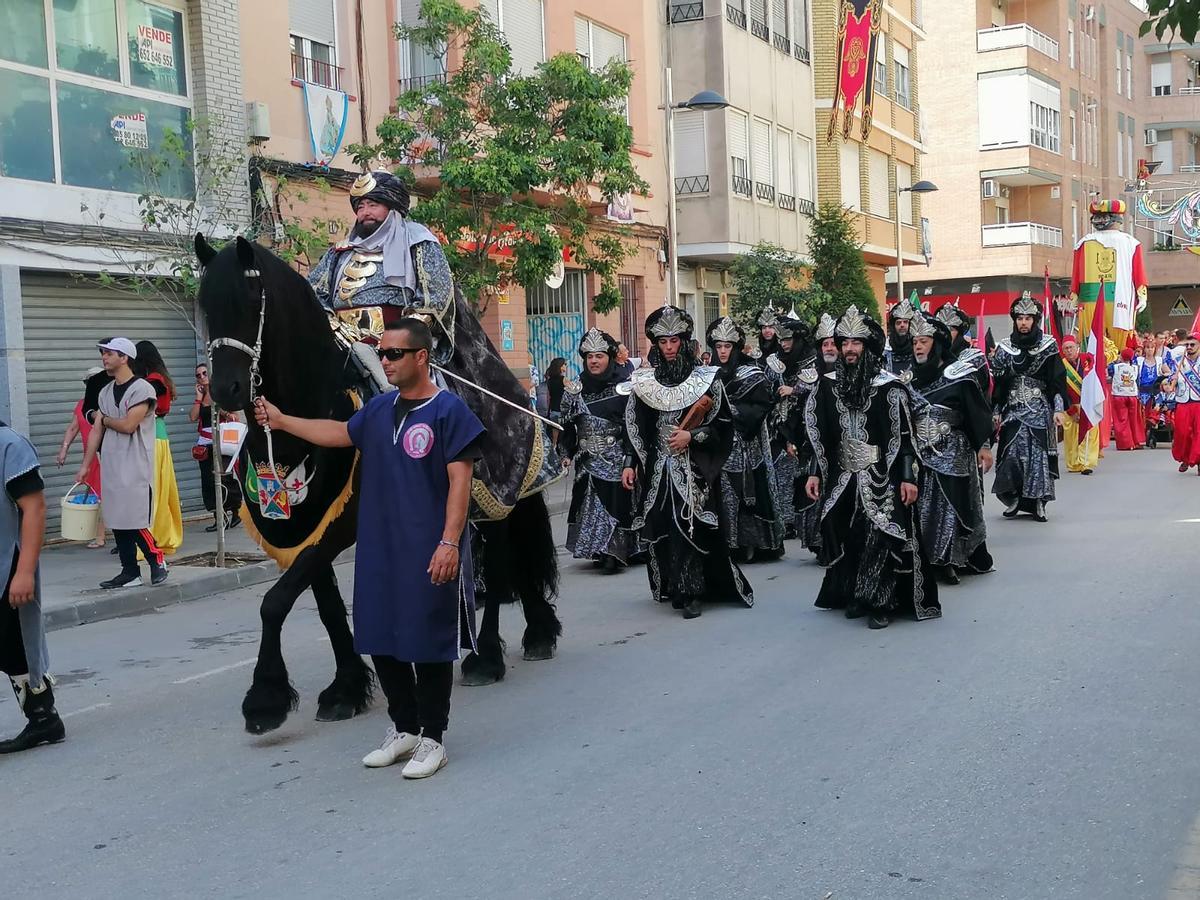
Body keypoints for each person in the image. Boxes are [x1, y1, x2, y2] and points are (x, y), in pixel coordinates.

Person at [255, 318, 485, 779]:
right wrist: (281, 421)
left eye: (394, 354)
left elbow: (461, 481)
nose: (385, 361)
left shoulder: (448, 412)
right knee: (381, 635)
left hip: (428, 546)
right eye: (382, 354)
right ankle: (403, 727)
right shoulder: (379, 410)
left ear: (421, 357)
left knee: (427, 642)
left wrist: (448, 542)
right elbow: (337, 433)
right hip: (380, 548)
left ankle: (433, 738)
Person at [802, 305, 938, 629]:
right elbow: (817, 433)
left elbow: (905, 437)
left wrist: (908, 477)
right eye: (844, 342)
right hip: (842, 477)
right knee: (850, 538)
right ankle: (856, 593)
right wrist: (813, 470)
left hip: (883, 476)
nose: (848, 349)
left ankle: (880, 601)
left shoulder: (889, 388)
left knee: (882, 537)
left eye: (856, 343)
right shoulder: (827, 386)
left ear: (869, 347)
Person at [621, 306, 753, 619]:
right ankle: (674, 584)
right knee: (665, 526)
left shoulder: (707, 380)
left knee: (689, 527)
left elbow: (722, 425)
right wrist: (629, 461)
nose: (668, 347)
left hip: (694, 469)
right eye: (663, 341)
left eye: (674, 341)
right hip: (657, 468)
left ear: (684, 342)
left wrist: (692, 437)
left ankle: (694, 589)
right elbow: (634, 425)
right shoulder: (644, 382)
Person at [906, 312, 995, 584]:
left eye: (923, 341)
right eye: (914, 342)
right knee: (922, 507)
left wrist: (984, 446)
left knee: (949, 505)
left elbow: (977, 413)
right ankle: (926, 558)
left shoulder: (960, 375)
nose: (918, 347)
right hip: (919, 452)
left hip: (953, 449)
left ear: (937, 344)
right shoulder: (907, 379)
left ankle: (948, 559)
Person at [75, 338, 167, 588]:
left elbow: (128, 425)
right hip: (112, 461)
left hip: (135, 461)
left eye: (109, 353)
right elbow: (95, 431)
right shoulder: (105, 392)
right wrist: (85, 464)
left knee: (134, 517)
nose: (104, 357)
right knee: (116, 518)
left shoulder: (143, 389)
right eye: (103, 353)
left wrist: (104, 420)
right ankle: (130, 571)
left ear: (124, 357)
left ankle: (156, 559)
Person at [0, 418, 64, 753]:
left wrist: (24, 572)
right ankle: (43, 719)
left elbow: (34, 508)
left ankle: (43, 717)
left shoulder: (9, 444)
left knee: (17, 644)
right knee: (11, 647)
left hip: (6, 566)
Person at [559, 328, 640, 572]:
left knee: (615, 505)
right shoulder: (574, 391)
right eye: (589, 356)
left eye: (599, 356)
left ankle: (614, 552)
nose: (594, 361)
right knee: (589, 505)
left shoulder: (624, 389)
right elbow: (567, 429)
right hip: (587, 461)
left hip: (616, 458)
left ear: (610, 358)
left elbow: (632, 429)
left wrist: (630, 461)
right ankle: (598, 549)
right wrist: (565, 453)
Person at [706, 316, 783, 562]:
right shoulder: (707, 375)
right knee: (719, 491)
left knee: (746, 491)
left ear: (736, 347)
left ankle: (751, 542)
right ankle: (725, 542)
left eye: (727, 346)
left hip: (745, 444)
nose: (723, 351)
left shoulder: (752, 374)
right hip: (716, 443)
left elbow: (762, 406)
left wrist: (734, 414)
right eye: (718, 347)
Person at [991, 294, 1069, 521]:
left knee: (1038, 457)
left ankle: (1038, 501)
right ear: (1014, 320)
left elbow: (1057, 380)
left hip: (1038, 409)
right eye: (1019, 318)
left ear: (1035, 320)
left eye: (1028, 318)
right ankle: (1013, 497)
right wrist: (995, 410)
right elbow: (999, 385)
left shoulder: (1048, 346)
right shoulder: (1005, 348)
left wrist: (1058, 409)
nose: (1023, 322)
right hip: (1013, 410)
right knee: (1011, 454)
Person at [134, 341, 183, 555]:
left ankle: (149, 538)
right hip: (158, 433)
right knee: (159, 491)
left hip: (151, 435)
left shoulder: (152, 381)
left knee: (151, 490)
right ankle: (158, 534)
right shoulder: (160, 378)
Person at [56, 366, 107, 549]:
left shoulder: (108, 404)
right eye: (88, 382)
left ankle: (101, 536)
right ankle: (99, 533)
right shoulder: (82, 405)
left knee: (103, 496)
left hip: (105, 455)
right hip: (90, 457)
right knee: (97, 495)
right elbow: (72, 428)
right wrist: (64, 450)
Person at [188, 362, 243, 532]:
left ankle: (234, 512)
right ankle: (218, 516)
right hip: (204, 443)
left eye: (205, 373)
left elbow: (235, 416)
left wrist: (223, 412)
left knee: (223, 478)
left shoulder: (219, 394)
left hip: (220, 442)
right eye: (198, 375)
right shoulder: (201, 396)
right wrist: (198, 398)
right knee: (208, 481)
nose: (202, 377)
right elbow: (192, 417)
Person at [1060, 336, 1099, 475]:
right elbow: (1061, 391)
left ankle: (1087, 462)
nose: (1069, 351)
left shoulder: (1086, 361)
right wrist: (1071, 411)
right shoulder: (1061, 366)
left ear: (1077, 346)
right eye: (1066, 348)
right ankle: (1074, 463)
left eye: (1071, 347)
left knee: (1089, 432)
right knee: (1071, 436)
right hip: (1071, 405)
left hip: (1087, 404)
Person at [1168, 331, 1200, 473]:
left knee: (1199, 433)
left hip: (1198, 401)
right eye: (1187, 344)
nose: (1189, 347)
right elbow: (1170, 377)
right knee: (1182, 433)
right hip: (1183, 402)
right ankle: (1185, 458)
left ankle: (1198, 461)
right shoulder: (1179, 360)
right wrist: (1169, 382)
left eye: (1192, 344)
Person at [1108, 348, 1145, 451]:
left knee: (1121, 420)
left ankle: (1126, 443)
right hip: (1132, 395)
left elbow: (1109, 372)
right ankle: (1136, 441)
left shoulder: (1114, 367)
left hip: (1119, 395)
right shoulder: (1135, 367)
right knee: (1134, 419)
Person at [885, 294, 917, 375]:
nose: (902, 325)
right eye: (898, 323)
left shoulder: (918, 347)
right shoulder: (886, 349)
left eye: (905, 322)